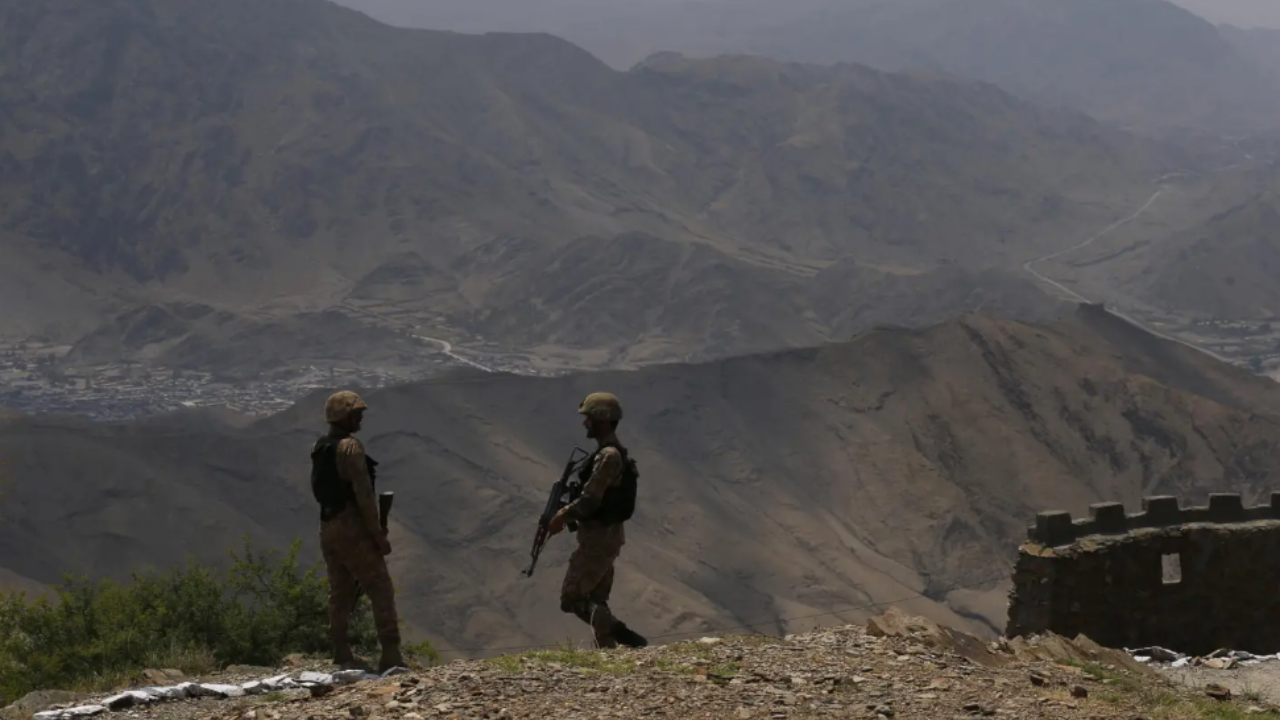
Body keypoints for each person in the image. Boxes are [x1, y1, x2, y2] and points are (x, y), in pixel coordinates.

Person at [310, 390, 405, 671]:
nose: (361, 420)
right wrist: (378, 535)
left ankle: (341, 651)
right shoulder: (350, 448)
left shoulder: (320, 446)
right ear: (345, 416)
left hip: (328, 527)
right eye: (357, 415)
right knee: (380, 587)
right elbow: (363, 495)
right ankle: (391, 654)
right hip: (353, 529)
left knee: (340, 591)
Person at [547, 392, 647, 649]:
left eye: (589, 418)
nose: (585, 424)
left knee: (572, 597)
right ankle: (608, 651)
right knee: (596, 598)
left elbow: (591, 499)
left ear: (602, 420)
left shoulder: (608, 456)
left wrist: (561, 516)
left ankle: (620, 632)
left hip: (599, 539)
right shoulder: (608, 454)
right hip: (605, 536)